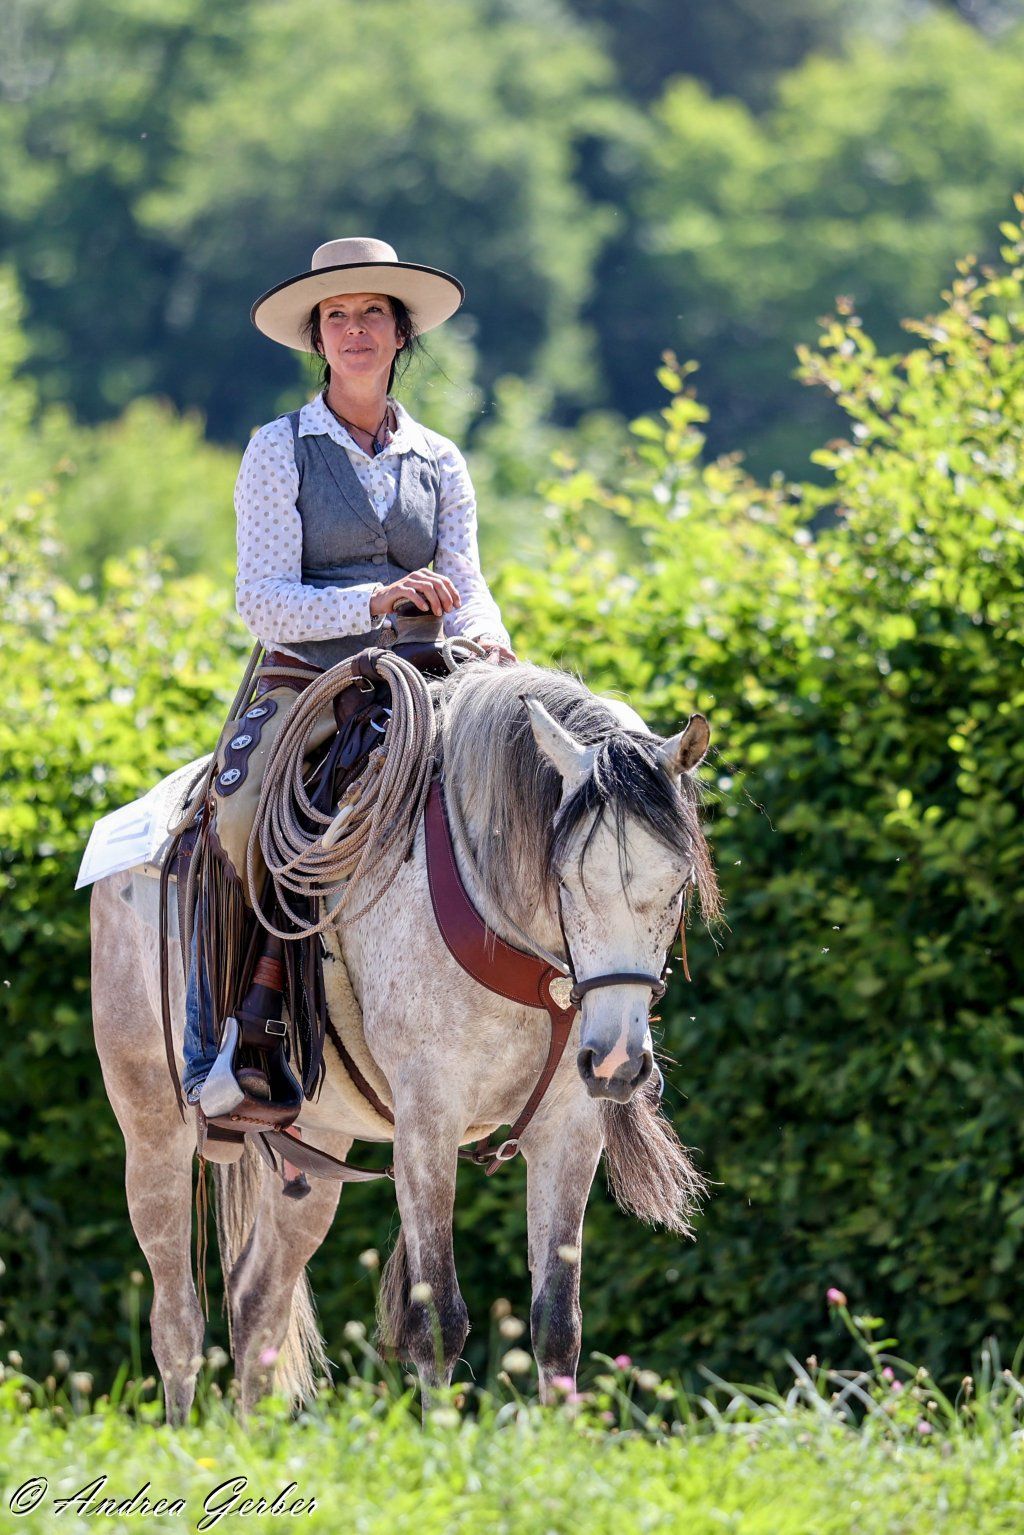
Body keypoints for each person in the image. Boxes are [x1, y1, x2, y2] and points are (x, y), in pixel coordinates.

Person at [181, 236, 515, 1114]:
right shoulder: (276, 449)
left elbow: (467, 582)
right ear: (318, 339)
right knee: (242, 809)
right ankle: (237, 1032)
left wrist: (496, 645)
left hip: (428, 672)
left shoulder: (441, 458)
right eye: (338, 316)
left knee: (525, 785)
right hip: (309, 679)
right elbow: (265, 603)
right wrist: (376, 601)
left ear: (401, 334)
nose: (355, 329)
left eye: (373, 313)